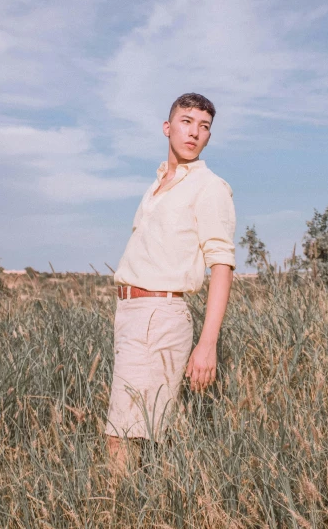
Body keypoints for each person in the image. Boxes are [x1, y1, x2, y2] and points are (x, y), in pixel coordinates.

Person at [104, 92, 236, 473]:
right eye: (186, 121)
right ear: (167, 127)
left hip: (159, 313)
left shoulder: (208, 187)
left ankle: (118, 512)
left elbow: (222, 265)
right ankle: (139, 505)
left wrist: (207, 344)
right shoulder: (159, 183)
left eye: (204, 126)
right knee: (137, 427)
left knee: (123, 433)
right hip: (131, 312)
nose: (194, 132)